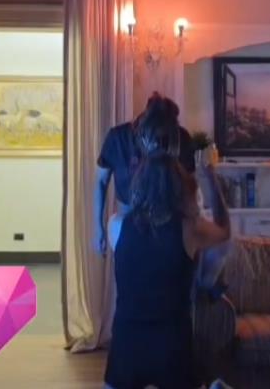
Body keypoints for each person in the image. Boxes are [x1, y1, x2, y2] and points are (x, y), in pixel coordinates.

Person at [103, 97, 230, 389]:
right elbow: (224, 232)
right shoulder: (190, 229)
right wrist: (210, 179)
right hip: (172, 351)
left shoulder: (115, 227)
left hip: (126, 350)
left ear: (137, 185)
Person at [94, 92, 196, 255]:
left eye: (164, 137)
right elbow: (101, 181)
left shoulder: (180, 138)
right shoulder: (118, 138)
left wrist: (193, 223)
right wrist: (98, 226)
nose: (159, 143)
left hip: (169, 223)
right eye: (156, 137)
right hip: (128, 221)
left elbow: (190, 186)